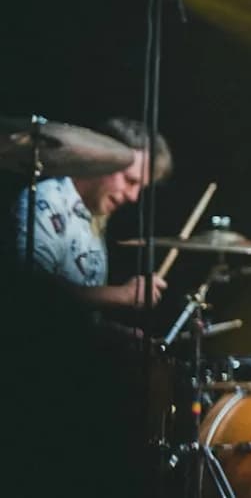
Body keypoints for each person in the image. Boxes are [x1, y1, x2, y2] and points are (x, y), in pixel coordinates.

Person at [2, 116, 173, 497]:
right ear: (99, 163)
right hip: (33, 386)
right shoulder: (45, 199)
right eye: (130, 182)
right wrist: (122, 295)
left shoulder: (93, 218)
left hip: (73, 377)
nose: (132, 197)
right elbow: (30, 294)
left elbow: (74, 313)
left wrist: (115, 333)